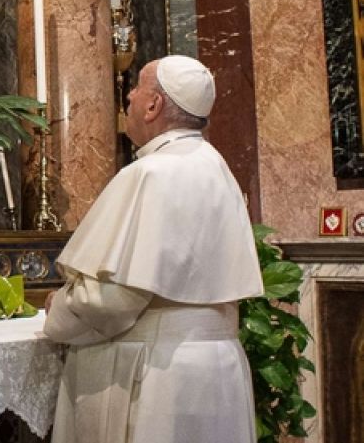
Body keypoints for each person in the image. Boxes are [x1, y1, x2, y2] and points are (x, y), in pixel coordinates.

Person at [43, 55, 264, 443]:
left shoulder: (151, 173)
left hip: (162, 374)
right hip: (219, 368)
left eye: (137, 87)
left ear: (153, 105)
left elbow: (109, 301)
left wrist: (59, 309)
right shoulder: (216, 167)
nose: (128, 94)